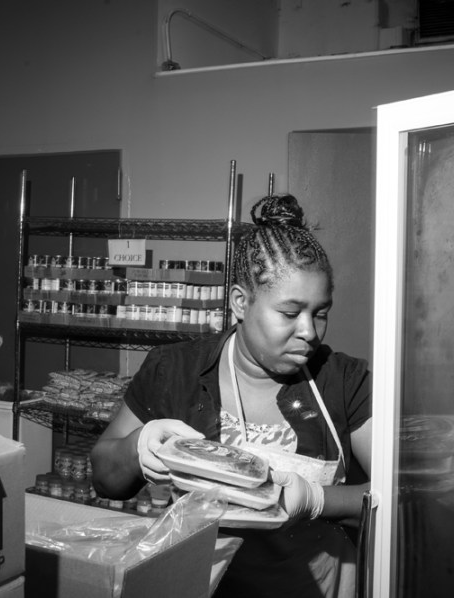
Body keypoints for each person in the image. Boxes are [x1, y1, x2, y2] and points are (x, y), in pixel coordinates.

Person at [90, 194, 372, 598]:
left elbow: (398, 497)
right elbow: (103, 477)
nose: (310, 331)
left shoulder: (344, 380)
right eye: (290, 314)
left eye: (320, 312)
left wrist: (315, 499)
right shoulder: (176, 370)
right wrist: (139, 446)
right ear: (241, 302)